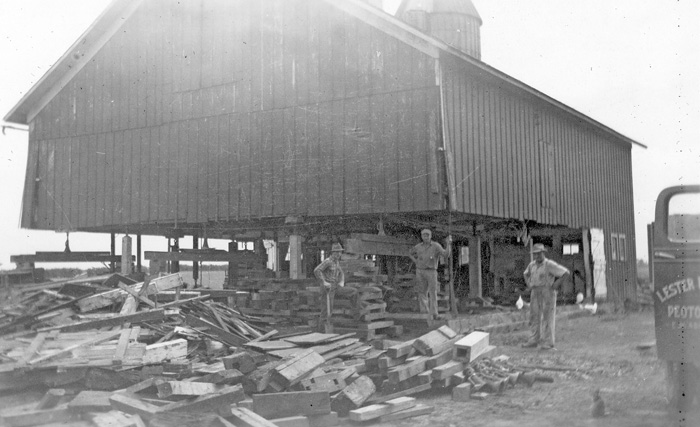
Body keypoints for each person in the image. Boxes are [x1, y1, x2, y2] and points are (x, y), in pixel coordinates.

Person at [522, 243, 570, 350]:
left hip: (547, 292)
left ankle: (548, 342)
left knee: (547, 317)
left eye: (539, 254)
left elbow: (566, 273)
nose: (537, 256)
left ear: (543, 253)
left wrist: (556, 284)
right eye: (535, 254)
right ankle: (534, 340)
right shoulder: (532, 265)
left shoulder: (549, 264)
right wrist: (529, 284)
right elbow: (525, 273)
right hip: (535, 291)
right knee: (534, 316)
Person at [409, 229, 451, 321]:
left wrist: (448, 244)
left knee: (433, 292)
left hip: (431, 271)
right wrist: (415, 261)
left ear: (431, 236)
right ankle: (424, 313)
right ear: (421, 236)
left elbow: (445, 254)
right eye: (424, 235)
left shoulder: (436, 246)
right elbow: (410, 253)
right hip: (420, 271)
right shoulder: (418, 246)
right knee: (422, 292)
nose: (426, 237)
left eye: (427, 235)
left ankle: (434, 314)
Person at [314, 243, 345, 327]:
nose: (339, 254)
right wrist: (324, 282)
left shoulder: (337, 262)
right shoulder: (328, 261)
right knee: (327, 308)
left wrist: (341, 281)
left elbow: (341, 272)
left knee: (352, 291)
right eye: (337, 252)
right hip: (327, 287)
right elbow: (317, 270)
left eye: (340, 252)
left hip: (335, 286)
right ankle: (322, 329)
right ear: (333, 253)